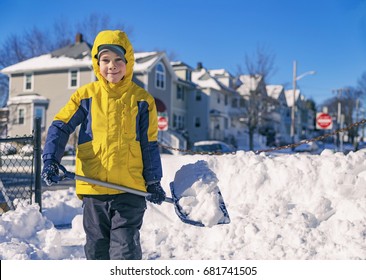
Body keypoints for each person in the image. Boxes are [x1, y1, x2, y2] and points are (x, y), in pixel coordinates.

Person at [41, 30, 166, 260]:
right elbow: (60, 126)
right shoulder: (85, 96)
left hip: (130, 190)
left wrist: (154, 181)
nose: (112, 66)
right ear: (97, 63)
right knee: (97, 250)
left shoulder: (142, 100)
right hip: (94, 189)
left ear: (129, 62)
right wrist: (51, 159)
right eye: (106, 60)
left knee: (125, 251)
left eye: (119, 60)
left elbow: (149, 145)